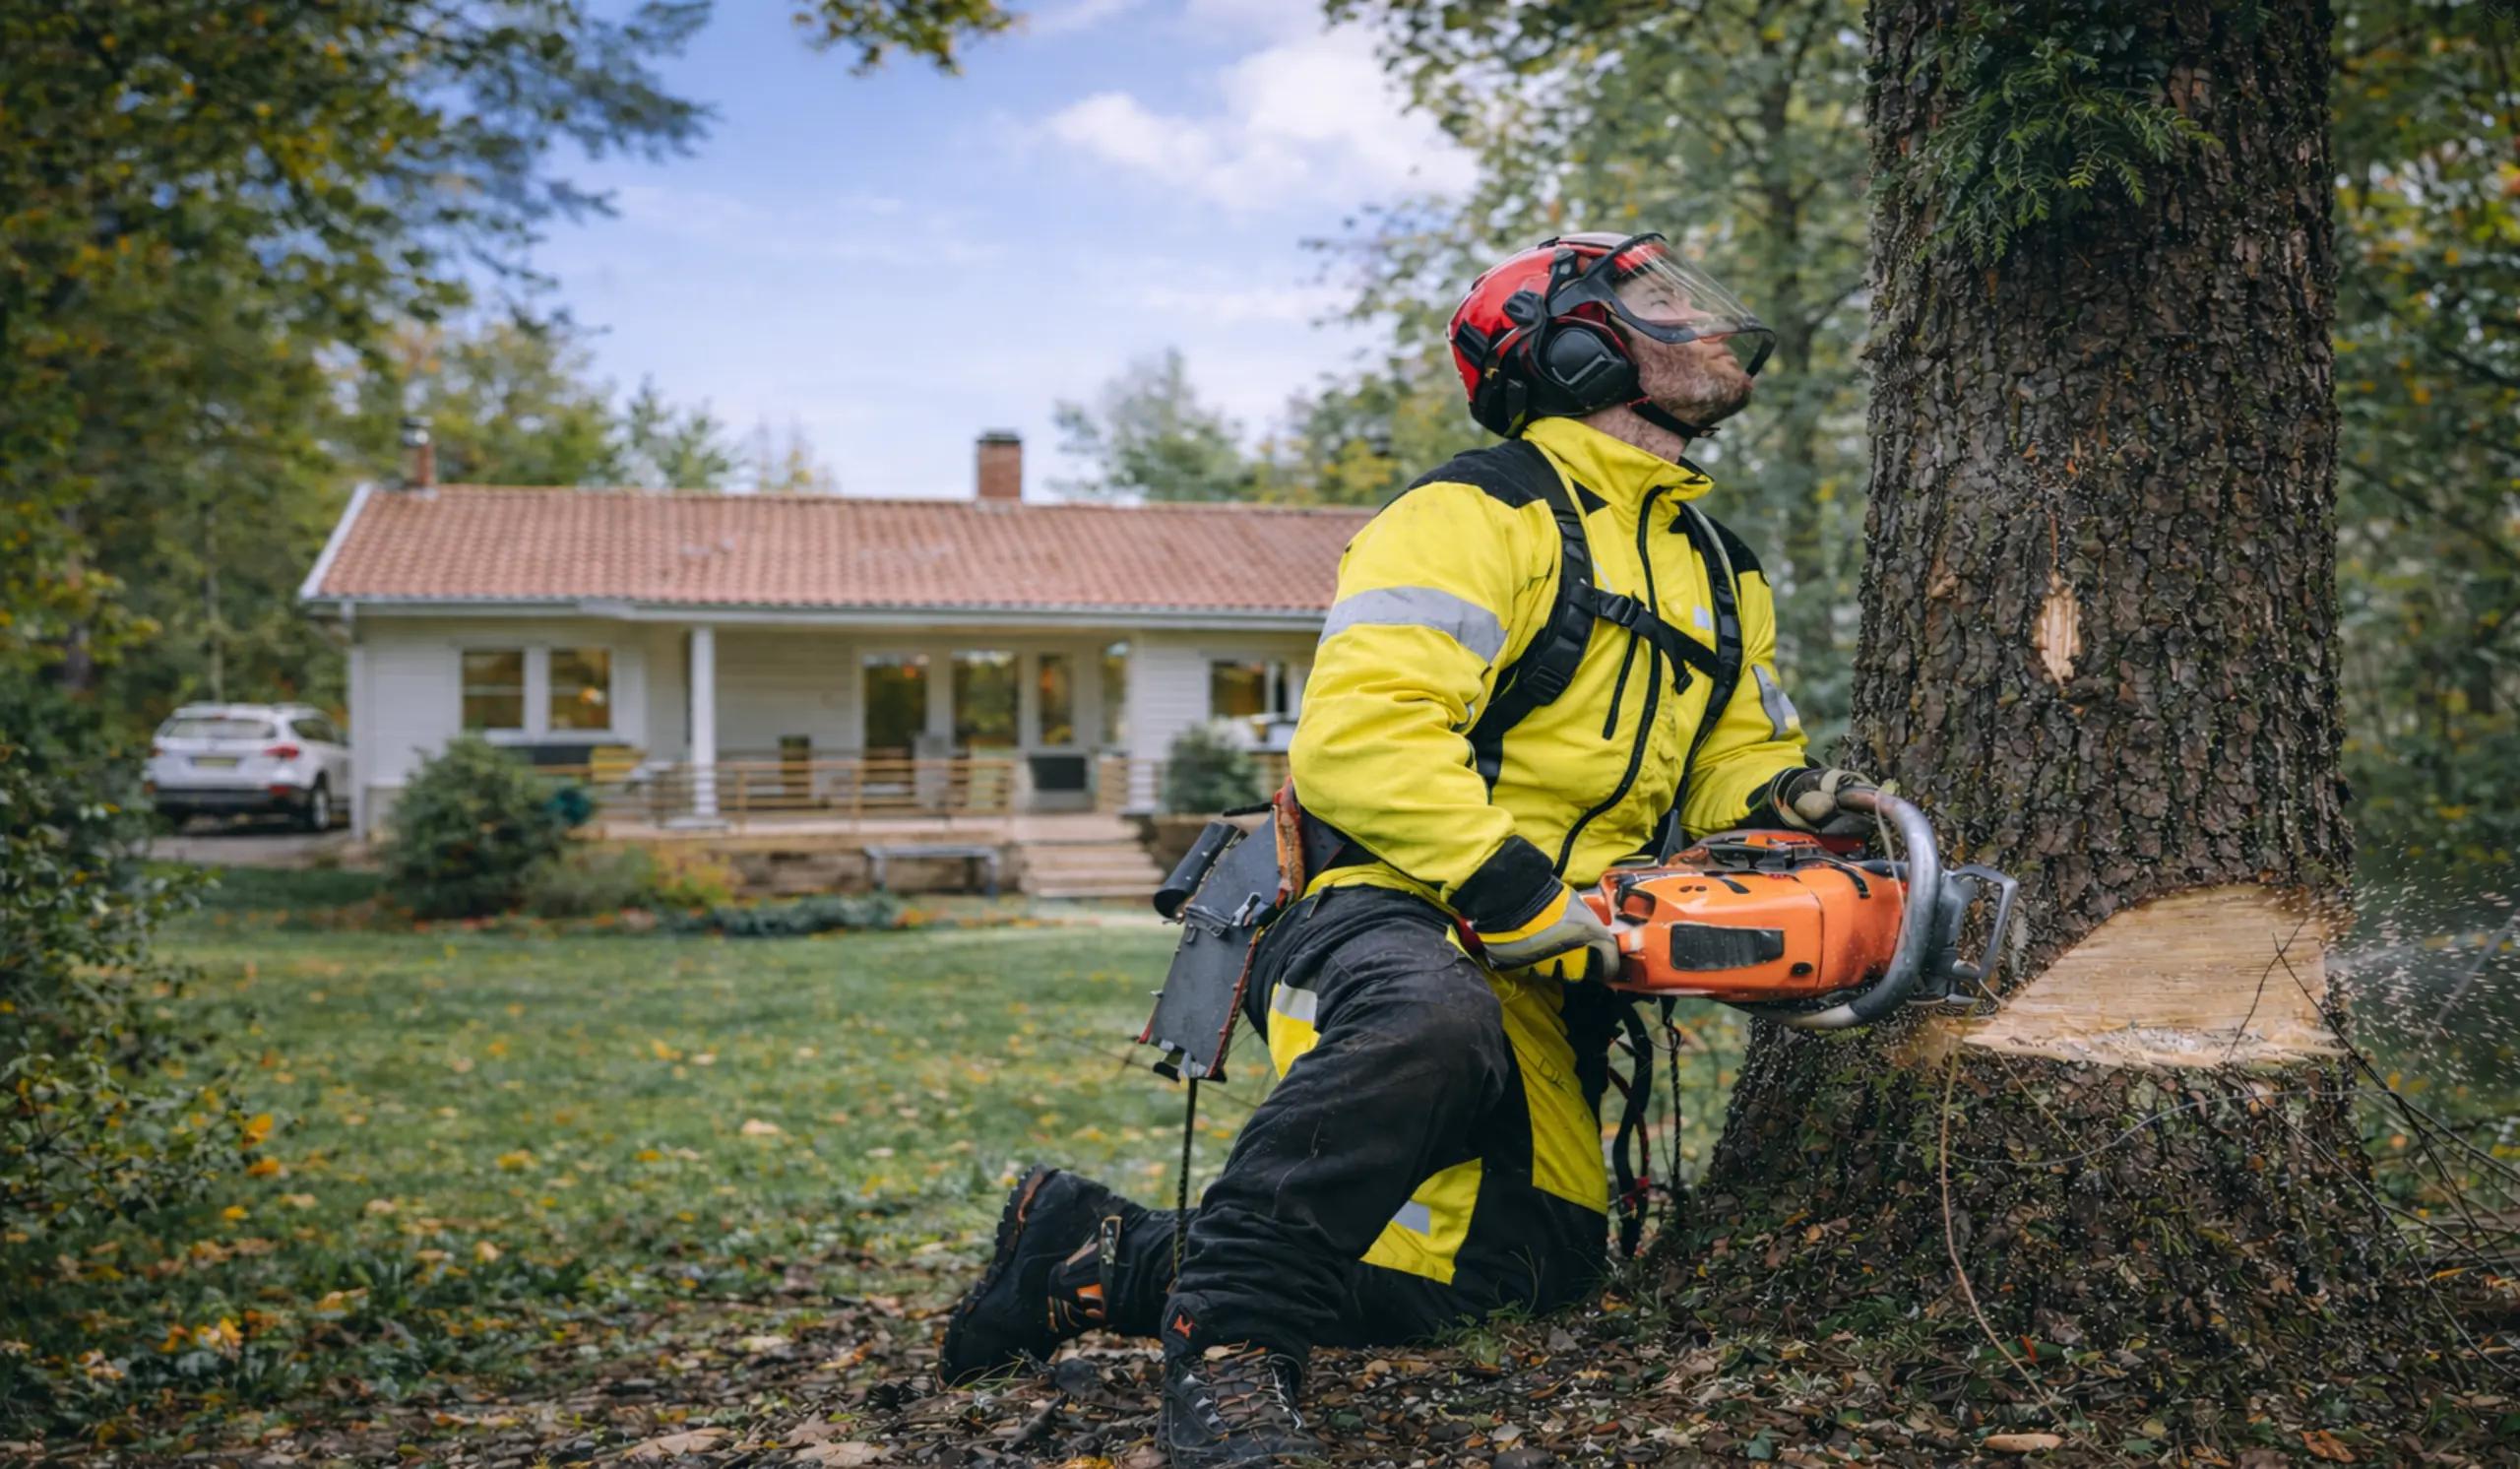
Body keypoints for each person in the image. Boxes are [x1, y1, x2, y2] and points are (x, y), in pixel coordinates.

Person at [937, 232, 1872, 1467]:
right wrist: (1514, 890)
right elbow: (1360, 742)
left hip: (1551, 944)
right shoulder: (1470, 515)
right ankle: (1229, 1351)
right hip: (1381, 901)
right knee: (1433, 1016)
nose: (1703, 327)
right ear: (1571, 346)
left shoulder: (1718, 566)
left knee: (1518, 1274)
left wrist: (1789, 799)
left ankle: (1085, 1256)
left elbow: (1727, 753)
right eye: (1659, 307)